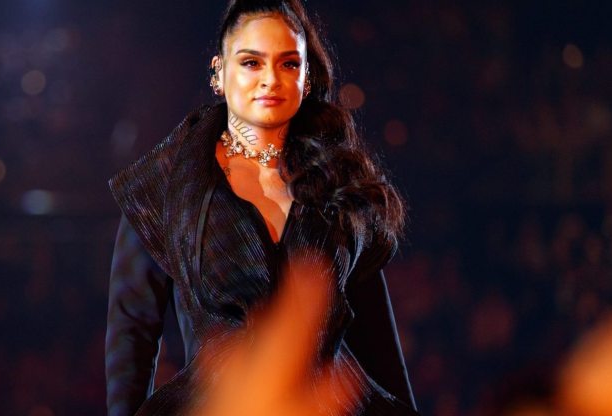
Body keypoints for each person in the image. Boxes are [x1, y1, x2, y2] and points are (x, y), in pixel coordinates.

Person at [105, 0, 417, 414]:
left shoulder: (337, 186)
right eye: (252, 63)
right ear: (219, 72)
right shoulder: (164, 184)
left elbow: (377, 338)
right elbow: (132, 334)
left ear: (306, 79)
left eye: (289, 64)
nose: (270, 79)